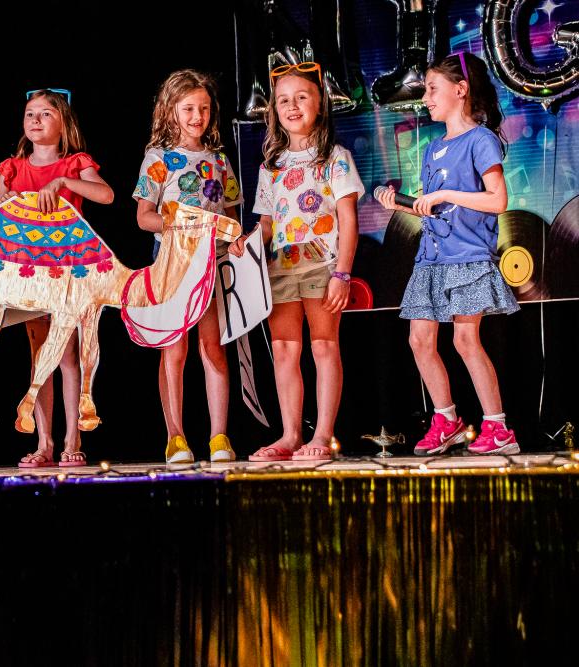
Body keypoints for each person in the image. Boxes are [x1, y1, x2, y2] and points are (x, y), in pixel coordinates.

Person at [375, 52, 519, 455]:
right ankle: (447, 420)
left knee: (465, 341)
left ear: (461, 90)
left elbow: (497, 200)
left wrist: (443, 194)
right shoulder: (434, 147)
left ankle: (498, 428)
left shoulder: (481, 140)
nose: (426, 98)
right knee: (420, 340)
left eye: (433, 89)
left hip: (468, 258)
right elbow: (435, 207)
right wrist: (400, 203)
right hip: (431, 260)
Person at [243, 61, 363, 463]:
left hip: (321, 259)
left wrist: (342, 273)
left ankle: (324, 434)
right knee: (283, 348)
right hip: (279, 262)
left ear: (319, 103)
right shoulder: (270, 165)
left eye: (301, 98)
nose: (292, 107)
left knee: (324, 345)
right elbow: (265, 223)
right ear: (274, 109)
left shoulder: (335, 156)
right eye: (283, 101)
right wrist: (244, 245)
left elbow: (348, 220)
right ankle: (291, 434)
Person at [0, 88, 115, 468]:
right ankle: (43, 443)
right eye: (30, 113)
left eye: (45, 114)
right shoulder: (13, 166)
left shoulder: (75, 162)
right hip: (29, 272)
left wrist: (63, 184)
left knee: (66, 357)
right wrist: (10, 202)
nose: (36, 120)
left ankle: (71, 441)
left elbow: (106, 195)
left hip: (66, 271)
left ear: (64, 123)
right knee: (38, 358)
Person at [133, 69, 244, 464]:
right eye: (188, 109)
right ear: (171, 111)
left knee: (213, 347)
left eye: (204, 108)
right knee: (173, 350)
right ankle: (176, 436)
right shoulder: (158, 159)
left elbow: (231, 216)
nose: (197, 116)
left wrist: (237, 241)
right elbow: (144, 216)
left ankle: (219, 436)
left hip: (212, 265)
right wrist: (179, 225)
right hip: (173, 263)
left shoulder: (218, 159)